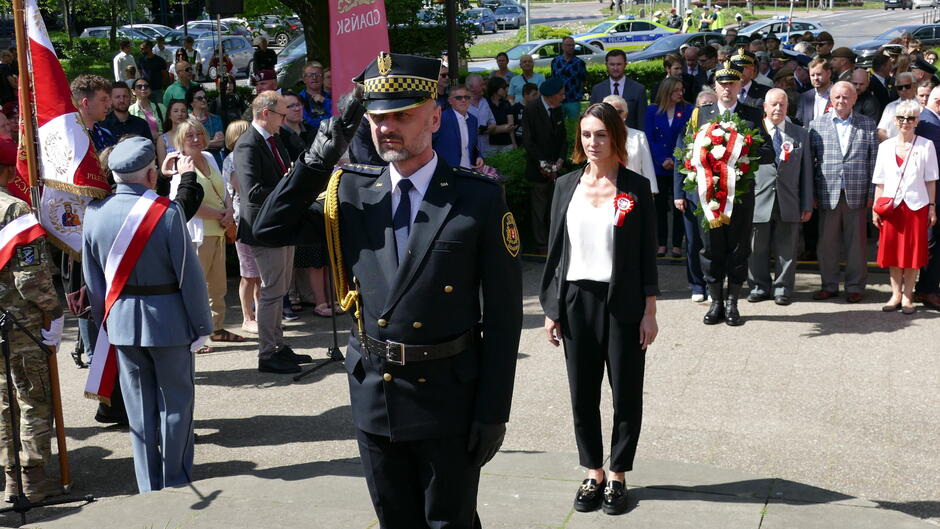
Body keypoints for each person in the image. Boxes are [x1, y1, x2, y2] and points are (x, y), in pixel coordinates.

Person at [252, 51, 522, 529]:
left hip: (447, 397)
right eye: (378, 118)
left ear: (435, 118)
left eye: (402, 115)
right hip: (376, 394)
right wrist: (321, 152)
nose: (387, 127)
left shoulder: (477, 198)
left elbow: (503, 316)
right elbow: (267, 227)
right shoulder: (352, 192)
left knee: (450, 524)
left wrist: (492, 411)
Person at [540, 100, 658, 517]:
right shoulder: (565, 186)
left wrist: (650, 311)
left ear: (616, 137)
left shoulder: (635, 188)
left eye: (602, 134)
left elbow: (647, 255)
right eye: (587, 134)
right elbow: (555, 254)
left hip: (622, 301)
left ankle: (619, 474)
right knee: (582, 394)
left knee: (626, 393)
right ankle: (593, 471)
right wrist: (552, 307)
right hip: (576, 300)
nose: (593, 142)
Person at [83, 137, 211, 493]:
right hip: (168, 322)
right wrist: (202, 325)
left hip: (121, 323)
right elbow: (189, 276)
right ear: (152, 174)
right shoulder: (166, 212)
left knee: (139, 411)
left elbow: (93, 281)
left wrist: (105, 321)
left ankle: (147, 485)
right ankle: (176, 481)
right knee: (176, 406)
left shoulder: (94, 214)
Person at [676, 64, 774, 325]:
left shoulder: (752, 114)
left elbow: (769, 153)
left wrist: (743, 150)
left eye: (733, 83)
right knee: (710, 248)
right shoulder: (701, 115)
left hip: (739, 195)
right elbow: (685, 151)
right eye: (722, 84)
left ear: (740, 85)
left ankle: (732, 303)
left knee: (739, 248)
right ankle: (715, 301)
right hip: (708, 196)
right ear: (715, 87)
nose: (727, 88)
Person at [0, 139, 65, 502]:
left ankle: (10, 479)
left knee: (3, 402)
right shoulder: (15, 211)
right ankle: (33, 478)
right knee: (32, 399)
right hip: (19, 325)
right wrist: (53, 312)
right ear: (10, 171)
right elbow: (31, 278)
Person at [233, 91, 313, 374]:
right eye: (281, 114)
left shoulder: (274, 138)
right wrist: (289, 188)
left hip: (281, 223)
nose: (285, 118)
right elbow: (252, 192)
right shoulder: (248, 145)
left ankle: (278, 344)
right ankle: (268, 353)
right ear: (266, 114)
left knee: (279, 288)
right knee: (272, 292)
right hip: (263, 227)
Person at [165, 119, 242, 349]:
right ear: (180, 141)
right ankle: (193, 336)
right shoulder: (182, 166)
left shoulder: (209, 157)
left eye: (199, 134)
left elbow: (223, 188)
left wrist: (229, 211)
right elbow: (187, 203)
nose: (196, 139)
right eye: (190, 136)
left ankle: (216, 329)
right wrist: (221, 215)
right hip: (196, 234)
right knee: (195, 288)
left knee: (218, 286)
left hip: (217, 230)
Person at [809, 81, 878, 303]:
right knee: (826, 243)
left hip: (857, 193)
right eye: (837, 97)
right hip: (826, 193)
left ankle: (855, 286)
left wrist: (871, 194)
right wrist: (811, 195)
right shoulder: (816, 125)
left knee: (856, 244)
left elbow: (873, 162)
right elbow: (811, 164)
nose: (841, 101)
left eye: (846, 97)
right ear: (831, 99)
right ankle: (828, 285)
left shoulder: (868, 125)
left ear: (855, 99)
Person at [747, 89, 814, 305]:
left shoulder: (800, 134)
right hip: (758, 199)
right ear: (764, 107)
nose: (778, 108)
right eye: (773, 104)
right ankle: (758, 286)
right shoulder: (753, 133)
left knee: (787, 248)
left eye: (782, 105)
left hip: (789, 200)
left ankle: (783, 289)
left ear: (788, 108)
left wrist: (806, 203)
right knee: (756, 248)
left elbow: (806, 173)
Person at [872, 99, 938, 314]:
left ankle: (908, 297)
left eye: (910, 118)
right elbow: (880, 180)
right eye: (901, 118)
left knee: (911, 255)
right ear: (895, 120)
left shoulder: (926, 145)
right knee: (892, 254)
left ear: (917, 121)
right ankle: (895, 295)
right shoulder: (885, 147)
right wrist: (876, 206)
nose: (906, 122)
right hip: (891, 208)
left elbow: (931, 180)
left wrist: (931, 207)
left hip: (916, 207)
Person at [222, 120, 262, 333]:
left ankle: (262, 314)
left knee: (261, 274)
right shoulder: (233, 159)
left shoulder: (251, 156)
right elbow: (244, 189)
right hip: (242, 220)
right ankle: (247, 317)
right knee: (248, 272)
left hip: (256, 219)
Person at [645, 77, 691, 258]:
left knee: (680, 204)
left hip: (679, 166)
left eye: (682, 89)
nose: (680, 93)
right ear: (667, 91)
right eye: (676, 90)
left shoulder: (688, 110)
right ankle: (662, 243)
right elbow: (649, 138)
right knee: (660, 207)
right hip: (659, 167)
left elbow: (687, 136)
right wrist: (661, 159)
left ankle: (677, 244)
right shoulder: (652, 111)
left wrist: (674, 159)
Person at [523, 77, 568, 254]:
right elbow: (528, 140)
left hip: (556, 166)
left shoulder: (558, 108)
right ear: (550, 96)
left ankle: (554, 239)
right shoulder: (531, 109)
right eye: (560, 95)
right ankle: (541, 243)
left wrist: (560, 160)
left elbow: (563, 138)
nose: (563, 98)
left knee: (555, 205)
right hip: (537, 167)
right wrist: (542, 162)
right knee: (539, 208)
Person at [604, 95, 657, 193]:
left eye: (619, 112)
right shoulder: (598, 137)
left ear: (625, 115)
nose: (614, 115)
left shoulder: (639, 136)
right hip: (605, 189)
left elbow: (647, 166)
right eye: (610, 111)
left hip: (634, 190)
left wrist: (651, 192)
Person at [590, 49, 646, 129]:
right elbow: (593, 118)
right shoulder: (597, 90)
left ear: (625, 64)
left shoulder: (638, 89)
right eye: (612, 64)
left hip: (630, 137)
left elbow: (642, 120)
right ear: (606, 65)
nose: (615, 68)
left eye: (619, 64)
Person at [433, 85, 483, 170]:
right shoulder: (441, 118)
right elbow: (429, 145)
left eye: (466, 97)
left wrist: (479, 156)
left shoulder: (473, 120)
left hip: (469, 170)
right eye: (458, 98)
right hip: (447, 170)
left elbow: (474, 145)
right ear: (450, 101)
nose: (463, 100)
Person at [187, 86, 225, 166]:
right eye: (199, 98)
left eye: (205, 97)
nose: (204, 100)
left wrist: (198, 145)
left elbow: (220, 143)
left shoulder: (215, 119)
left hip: (215, 162)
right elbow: (188, 145)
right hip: (195, 163)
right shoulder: (187, 122)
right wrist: (211, 142)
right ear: (191, 102)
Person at [552, 36, 588, 120]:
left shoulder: (579, 63)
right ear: (562, 46)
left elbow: (583, 80)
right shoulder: (555, 61)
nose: (571, 47)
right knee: (558, 125)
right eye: (568, 45)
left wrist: (579, 94)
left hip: (573, 100)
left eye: (572, 45)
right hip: (558, 100)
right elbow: (553, 79)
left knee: (574, 127)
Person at [878, 72, 916, 141]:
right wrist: (891, 145)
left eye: (907, 86)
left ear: (914, 86)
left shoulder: (921, 106)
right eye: (900, 87)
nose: (903, 90)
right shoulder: (890, 107)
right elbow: (881, 130)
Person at [796, 57, 833, 128]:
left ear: (828, 73)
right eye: (812, 75)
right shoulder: (804, 97)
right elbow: (799, 122)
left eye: (819, 74)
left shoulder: (840, 95)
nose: (815, 78)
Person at [279, 90, 316, 160]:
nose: (297, 109)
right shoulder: (277, 136)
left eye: (298, 104)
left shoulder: (312, 131)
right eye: (292, 106)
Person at [466, 73, 495, 154]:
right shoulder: (462, 104)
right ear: (471, 88)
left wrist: (483, 131)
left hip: (486, 150)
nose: (484, 87)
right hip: (469, 152)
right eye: (481, 85)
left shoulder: (484, 102)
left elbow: (493, 123)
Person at [297, 61, 332, 130]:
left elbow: (338, 114)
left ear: (322, 78)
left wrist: (325, 101)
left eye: (318, 74)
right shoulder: (298, 99)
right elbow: (307, 123)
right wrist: (329, 120)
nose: (314, 78)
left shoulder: (330, 97)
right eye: (310, 75)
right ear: (304, 79)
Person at [485, 76, 515, 154]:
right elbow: (484, 127)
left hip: (506, 143)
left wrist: (514, 143)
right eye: (503, 88)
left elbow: (511, 126)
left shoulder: (506, 103)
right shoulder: (485, 103)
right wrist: (504, 128)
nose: (506, 90)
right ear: (495, 89)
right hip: (490, 144)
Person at [158, 99, 189, 168]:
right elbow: (162, 166)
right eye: (176, 111)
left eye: (183, 111)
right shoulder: (162, 139)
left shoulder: (193, 135)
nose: (180, 114)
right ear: (169, 116)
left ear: (187, 115)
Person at [511, 82, 539, 148]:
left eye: (536, 95)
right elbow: (511, 128)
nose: (536, 97)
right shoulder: (515, 108)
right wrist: (514, 143)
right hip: (519, 142)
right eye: (534, 95)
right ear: (525, 94)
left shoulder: (537, 108)